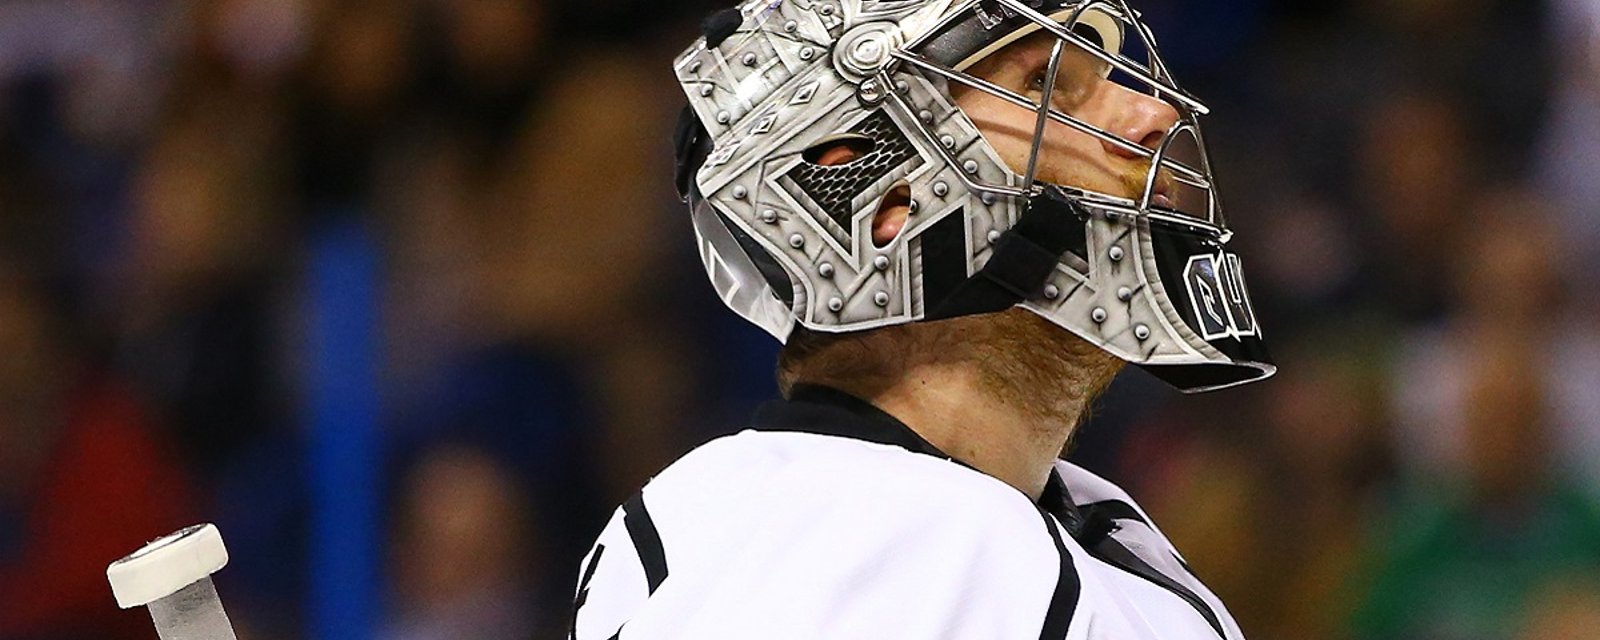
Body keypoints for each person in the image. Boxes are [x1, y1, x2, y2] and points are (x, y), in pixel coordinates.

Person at [571, 0, 1275, 637]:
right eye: (1046, 85)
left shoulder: (1038, 514)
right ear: (887, 206)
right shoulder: (860, 531)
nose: (1152, 115)